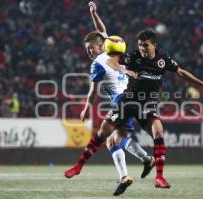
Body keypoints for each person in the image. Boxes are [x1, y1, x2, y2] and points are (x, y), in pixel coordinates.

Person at [88, 1, 203, 189]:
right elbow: (108, 49)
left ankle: (144, 175)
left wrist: (202, 83)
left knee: (133, 136)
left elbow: (180, 72)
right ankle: (140, 164)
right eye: (140, 45)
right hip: (127, 100)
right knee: (113, 137)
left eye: (145, 45)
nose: (142, 48)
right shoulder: (121, 55)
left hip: (137, 101)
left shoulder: (152, 58)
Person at [64, 3, 155, 196]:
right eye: (86, 49)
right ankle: (145, 161)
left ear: (99, 47)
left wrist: (87, 106)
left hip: (122, 100)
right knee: (117, 139)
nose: (88, 52)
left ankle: (91, 169)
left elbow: (93, 90)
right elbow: (102, 30)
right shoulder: (111, 50)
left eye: (90, 48)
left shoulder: (97, 64)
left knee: (106, 138)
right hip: (135, 98)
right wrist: (94, 14)